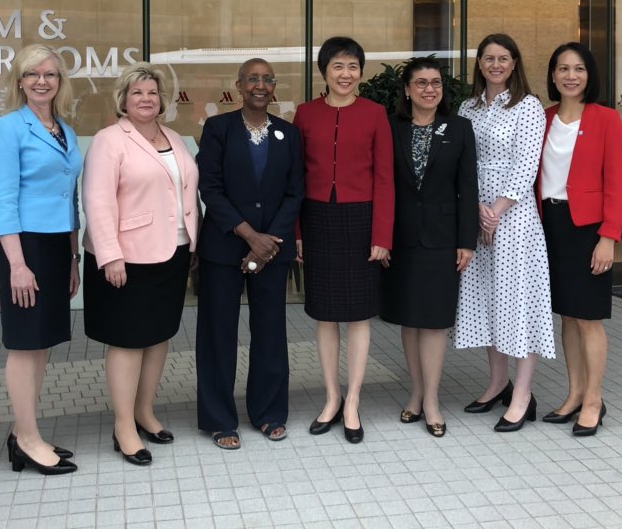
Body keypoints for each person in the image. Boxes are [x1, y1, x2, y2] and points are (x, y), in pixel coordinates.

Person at [83, 62, 199, 466]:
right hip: (127, 257)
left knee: (159, 335)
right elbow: (97, 200)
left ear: (162, 99)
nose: (146, 99)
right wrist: (110, 255)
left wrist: (194, 240)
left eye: (152, 93)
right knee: (129, 340)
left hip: (174, 250)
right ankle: (123, 425)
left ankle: (145, 410)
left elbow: (183, 191)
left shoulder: (175, 137)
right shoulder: (109, 139)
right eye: (137, 93)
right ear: (123, 100)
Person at [195, 59, 305, 450]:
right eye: (253, 79)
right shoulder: (218, 129)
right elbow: (210, 188)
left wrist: (269, 241)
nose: (260, 85)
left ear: (274, 87)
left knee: (271, 332)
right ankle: (219, 418)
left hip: (273, 251)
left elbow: (295, 192)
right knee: (218, 333)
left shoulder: (288, 134)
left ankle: (269, 412)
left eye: (267, 79)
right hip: (224, 248)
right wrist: (248, 236)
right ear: (238, 86)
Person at [294, 36, 394, 444]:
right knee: (324, 312)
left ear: (361, 72)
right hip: (317, 218)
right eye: (337, 66)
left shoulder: (375, 113)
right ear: (324, 71)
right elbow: (296, 178)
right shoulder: (305, 114)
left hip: (361, 218)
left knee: (357, 313)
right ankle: (331, 397)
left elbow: (386, 179)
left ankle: (353, 399)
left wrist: (382, 235)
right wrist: (297, 232)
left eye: (353, 66)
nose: (346, 74)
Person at [0, 44, 81, 475]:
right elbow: (2, 199)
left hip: (56, 245)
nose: (42, 81)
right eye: (32, 74)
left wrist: (73, 255)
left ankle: (22, 430)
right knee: (25, 345)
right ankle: (27, 439)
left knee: (41, 343)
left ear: (59, 82)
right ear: (20, 81)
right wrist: (18, 265)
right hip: (23, 246)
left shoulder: (66, 129)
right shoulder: (9, 127)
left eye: (50, 74)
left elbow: (71, 196)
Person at [455, 33, 555, 432]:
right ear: (479, 64)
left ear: (515, 64)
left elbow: (526, 166)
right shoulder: (468, 107)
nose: (495, 65)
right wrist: (476, 211)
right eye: (488, 58)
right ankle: (497, 384)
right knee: (489, 300)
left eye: (503, 58)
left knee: (518, 302)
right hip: (475, 214)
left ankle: (523, 395)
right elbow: (465, 162)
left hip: (513, 219)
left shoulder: (528, 107)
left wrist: (496, 211)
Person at [381, 57, 478, 438]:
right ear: (407, 89)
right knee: (410, 319)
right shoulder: (391, 127)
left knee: (435, 322)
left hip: (442, 239)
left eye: (435, 83)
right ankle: (416, 393)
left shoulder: (459, 128)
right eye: (420, 83)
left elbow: (467, 188)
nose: (428, 89)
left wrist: (465, 241)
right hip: (401, 237)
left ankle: (433, 400)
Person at [538, 42, 622, 436]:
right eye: (562, 69)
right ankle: (573, 394)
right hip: (550, 225)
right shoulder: (544, 117)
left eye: (578, 69)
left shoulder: (606, 119)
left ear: (589, 75)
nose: (570, 76)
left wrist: (608, 236)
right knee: (568, 316)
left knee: (589, 318)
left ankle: (594, 399)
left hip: (588, 228)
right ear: (553, 76)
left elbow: (616, 183)